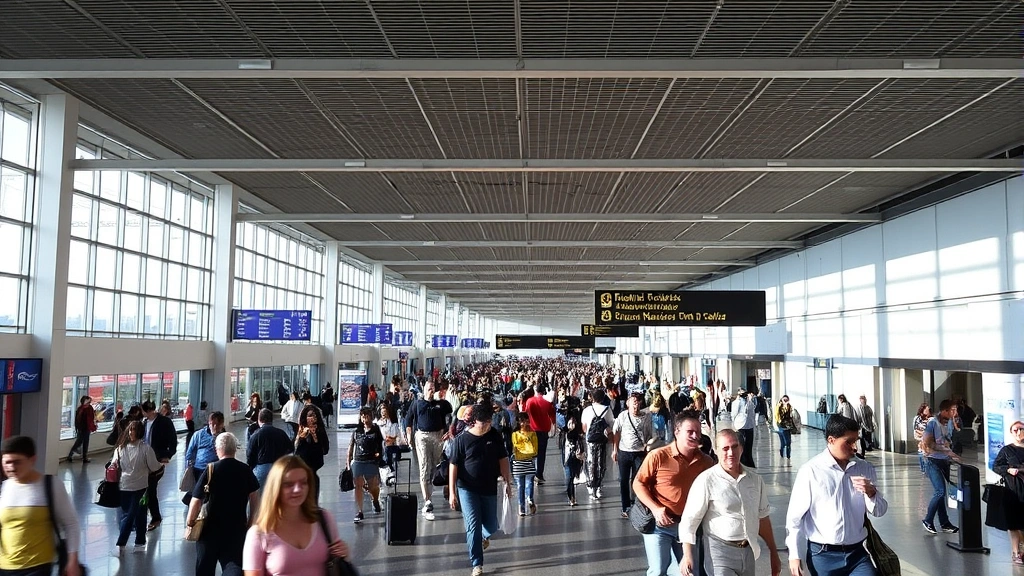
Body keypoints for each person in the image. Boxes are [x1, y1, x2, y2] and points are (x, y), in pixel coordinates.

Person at [786, 415, 888, 576]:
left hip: (857, 554)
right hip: (822, 555)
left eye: (856, 440)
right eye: (848, 442)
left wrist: (871, 493)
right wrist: (794, 554)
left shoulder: (865, 468)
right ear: (831, 440)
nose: (854, 447)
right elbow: (795, 518)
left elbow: (879, 511)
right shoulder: (811, 471)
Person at [680, 429, 782, 576]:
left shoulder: (754, 480)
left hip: (748, 550)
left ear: (741, 448)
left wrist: (773, 552)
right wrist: (687, 554)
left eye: (734, 447)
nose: (730, 453)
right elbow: (690, 519)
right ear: (716, 451)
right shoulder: (706, 480)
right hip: (719, 552)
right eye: (725, 448)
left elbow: (763, 518)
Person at [632, 414, 715, 576]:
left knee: (691, 572)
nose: (695, 436)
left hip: (688, 527)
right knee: (658, 570)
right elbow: (638, 483)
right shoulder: (658, 456)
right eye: (690, 431)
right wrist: (656, 509)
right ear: (677, 432)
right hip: (659, 525)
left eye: (698, 432)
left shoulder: (706, 462)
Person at [243, 456, 350, 575]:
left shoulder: (324, 519)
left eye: (303, 482)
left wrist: (342, 553)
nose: (297, 489)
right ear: (275, 488)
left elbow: (337, 561)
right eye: (289, 484)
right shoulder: (259, 534)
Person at [0, 436, 83, 576]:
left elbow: (71, 524)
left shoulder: (50, 485)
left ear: (32, 459)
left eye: (17, 462)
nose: (11, 467)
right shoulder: (5, 487)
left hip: (37, 567)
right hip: (5, 566)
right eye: (7, 462)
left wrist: (72, 560)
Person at [448, 404, 514, 576]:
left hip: (489, 487)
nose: (487, 425)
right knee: (473, 525)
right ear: (474, 422)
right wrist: (452, 492)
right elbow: (453, 466)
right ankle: (477, 563)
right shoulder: (461, 440)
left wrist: (508, 483)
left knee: (492, 525)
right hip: (467, 488)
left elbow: (503, 459)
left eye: (489, 421)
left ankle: (484, 537)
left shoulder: (494, 435)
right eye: (483, 422)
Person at [187, 432, 259, 576]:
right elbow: (255, 497)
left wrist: (190, 521)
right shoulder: (245, 469)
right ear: (235, 449)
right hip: (236, 529)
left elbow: (196, 500)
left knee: (204, 568)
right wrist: (251, 521)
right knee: (234, 566)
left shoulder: (211, 469)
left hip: (208, 530)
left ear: (217, 449)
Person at [113, 420, 166, 556]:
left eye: (134, 430)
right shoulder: (145, 449)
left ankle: (131, 543)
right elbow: (154, 467)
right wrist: (161, 465)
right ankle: (135, 542)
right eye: (130, 430)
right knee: (133, 515)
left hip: (129, 486)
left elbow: (113, 465)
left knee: (132, 515)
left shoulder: (121, 448)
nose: (131, 432)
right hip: (138, 486)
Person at [403, 380, 453, 521]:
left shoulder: (441, 404)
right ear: (424, 390)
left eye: (433, 389)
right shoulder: (418, 404)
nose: (431, 391)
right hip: (423, 436)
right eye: (429, 389)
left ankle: (446, 489)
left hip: (438, 436)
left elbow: (451, 415)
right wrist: (408, 434)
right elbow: (408, 419)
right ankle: (427, 501)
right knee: (425, 466)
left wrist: (449, 429)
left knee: (438, 467)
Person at [920, 399, 960, 535]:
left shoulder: (948, 423)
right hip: (932, 461)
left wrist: (949, 451)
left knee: (942, 492)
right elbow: (927, 443)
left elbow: (946, 441)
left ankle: (944, 523)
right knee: (940, 491)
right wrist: (946, 451)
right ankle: (928, 520)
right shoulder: (933, 423)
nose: (955, 413)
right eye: (952, 410)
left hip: (944, 461)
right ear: (945, 411)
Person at [612, 391, 653, 518]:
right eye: (633, 403)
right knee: (623, 480)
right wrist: (615, 449)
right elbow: (616, 432)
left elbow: (649, 434)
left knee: (638, 481)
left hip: (639, 453)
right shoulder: (623, 416)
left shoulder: (645, 417)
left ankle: (637, 506)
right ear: (628, 404)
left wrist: (648, 446)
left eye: (637, 403)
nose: (635, 406)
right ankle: (625, 507)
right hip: (624, 452)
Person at [141, 399, 176, 532]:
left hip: (157, 460)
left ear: (148, 410)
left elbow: (172, 440)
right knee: (145, 489)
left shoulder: (164, 422)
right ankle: (145, 515)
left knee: (150, 488)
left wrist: (168, 455)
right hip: (143, 460)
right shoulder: (143, 423)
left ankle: (155, 517)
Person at [993, 420, 1024, 565]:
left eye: (1021, 429)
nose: (1018, 432)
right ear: (1011, 433)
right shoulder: (1007, 450)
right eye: (1015, 430)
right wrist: (1008, 470)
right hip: (1013, 490)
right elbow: (996, 466)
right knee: (1013, 523)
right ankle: (1016, 552)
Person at [347, 406, 384, 523]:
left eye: (367, 416)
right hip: (358, 460)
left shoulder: (375, 430)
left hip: (371, 460)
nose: (365, 419)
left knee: (373, 487)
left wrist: (379, 458)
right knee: (358, 486)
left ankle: (375, 500)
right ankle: (360, 511)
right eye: (363, 416)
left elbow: (381, 445)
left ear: (371, 417)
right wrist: (348, 462)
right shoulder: (357, 431)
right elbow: (351, 446)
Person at [183, 411, 225, 505]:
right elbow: (190, 452)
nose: (214, 427)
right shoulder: (199, 434)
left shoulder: (224, 436)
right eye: (212, 424)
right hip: (200, 470)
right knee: (199, 494)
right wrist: (189, 469)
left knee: (214, 496)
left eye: (217, 424)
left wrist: (215, 436)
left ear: (222, 424)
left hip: (217, 470)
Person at [581, 388, 615, 500]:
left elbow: (584, 428)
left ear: (592, 398)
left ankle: (591, 486)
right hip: (602, 441)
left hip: (590, 441)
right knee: (601, 463)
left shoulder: (587, 410)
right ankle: (599, 486)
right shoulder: (607, 409)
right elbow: (611, 425)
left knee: (591, 463)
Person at [246, 408, 293, 488]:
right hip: (278, 467)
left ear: (259, 420)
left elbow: (249, 456)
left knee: (260, 497)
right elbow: (290, 449)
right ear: (272, 420)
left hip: (262, 469)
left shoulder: (255, 435)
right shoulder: (281, 433)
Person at [294, 404, 329, 501]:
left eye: (314, 416)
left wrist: (316, 438)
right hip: (303, 470)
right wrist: (301, 438)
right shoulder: (302, 431)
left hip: (314, 469)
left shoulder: (320, 431)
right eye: (310, 416)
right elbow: (296, 451)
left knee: (313, 499)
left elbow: (325, 450)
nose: (313, 418)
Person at [522, 384, 555, 484]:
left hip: (532, 429)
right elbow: (552, 416)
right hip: (544, 429)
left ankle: (530, 473)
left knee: (531, 452)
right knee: (541, 453)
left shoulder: (529, 401)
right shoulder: (547, 402)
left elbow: (525, 413)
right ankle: (539, 474)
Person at [511, 411, 538, 516]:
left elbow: (535, 450)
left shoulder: (532, 433)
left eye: (526, 420)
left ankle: (529, 500)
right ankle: (521, 506)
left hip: (527, 462)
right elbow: (518, 446)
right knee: (520, 486)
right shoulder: (515, 434)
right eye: (521, 421)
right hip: (520, 462)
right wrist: (527, 441)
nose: (524, 423)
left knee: (529, 483)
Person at [730, 390, 757, 468]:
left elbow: (752, 414)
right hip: (740, 426)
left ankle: (750, 465)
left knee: (748, 448)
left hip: (749, 426)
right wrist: (735, 425)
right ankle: (742, 464)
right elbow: (734, 415)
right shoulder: (736, 403)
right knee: (741, 447)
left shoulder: (750, 403)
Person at [66, 395, 96, 463]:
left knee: (85, 443)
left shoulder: (87, 409)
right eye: (87, 401)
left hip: (86, 428)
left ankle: (84, 457)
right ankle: (71, 455)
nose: (89, 403)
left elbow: (91, 418)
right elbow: (78, 420)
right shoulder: (81, 409)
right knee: (79, 442)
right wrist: (78, 428)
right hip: (82, 428)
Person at [774, 395, 796, 467]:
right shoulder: (779, 406)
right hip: (781, 426)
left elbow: (791, 416)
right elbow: (777, 416)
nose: (786, 401)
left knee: (788, 442)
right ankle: (782, 452)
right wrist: (779, 422)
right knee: (783, 442)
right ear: (782, 400)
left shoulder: (789, 406)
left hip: (788, 425)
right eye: (784, 400)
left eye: (787, 400)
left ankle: (788, 456)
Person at [913, 403, 931, 474]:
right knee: (922, 451)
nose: (928, 411)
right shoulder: (917, 419)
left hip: (929, 441)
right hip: (922, 440)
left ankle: (927, 468)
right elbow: (916, 430)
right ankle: (924, 468)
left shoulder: (931, 419)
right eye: (926, 409)